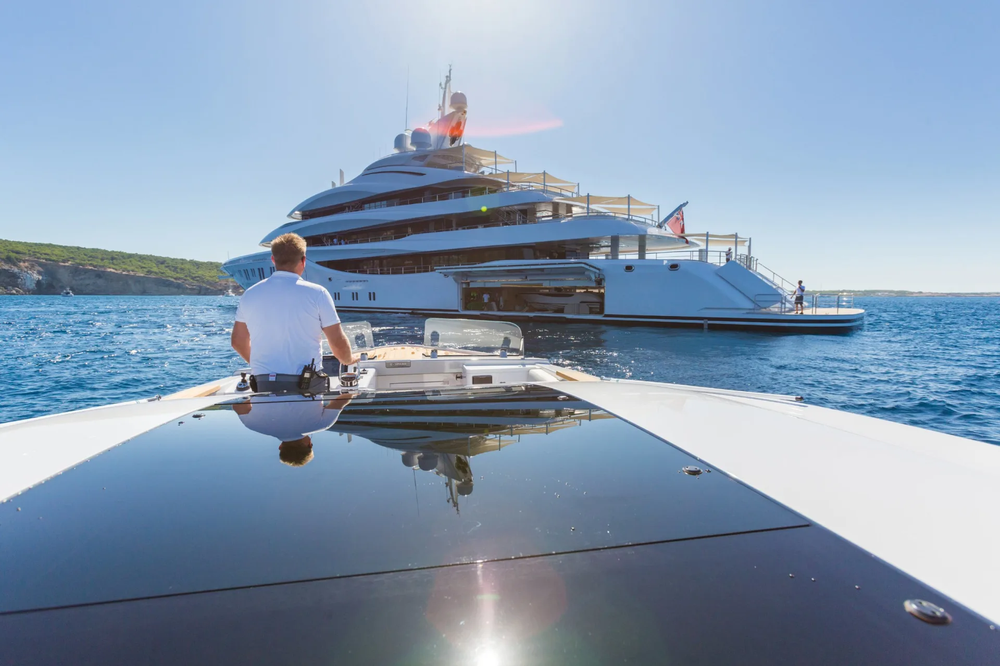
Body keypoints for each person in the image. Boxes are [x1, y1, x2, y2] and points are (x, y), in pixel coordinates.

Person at [231, 233, 357, 393]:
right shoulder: (318, 293)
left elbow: (238, 341)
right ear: (303, 261)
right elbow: (337, 341)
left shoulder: (249, 294)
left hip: (263, 386)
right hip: (307, 387)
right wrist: (349, 360)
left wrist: (259, 367)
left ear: (273, 259)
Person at [232, 393, 352, 467]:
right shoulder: (253, 425)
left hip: (308, 370)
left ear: (310, 444)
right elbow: (238, 405)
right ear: (280, 447)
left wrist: (353, 394)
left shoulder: (323, 424)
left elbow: (339, 401)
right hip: (262, 375)